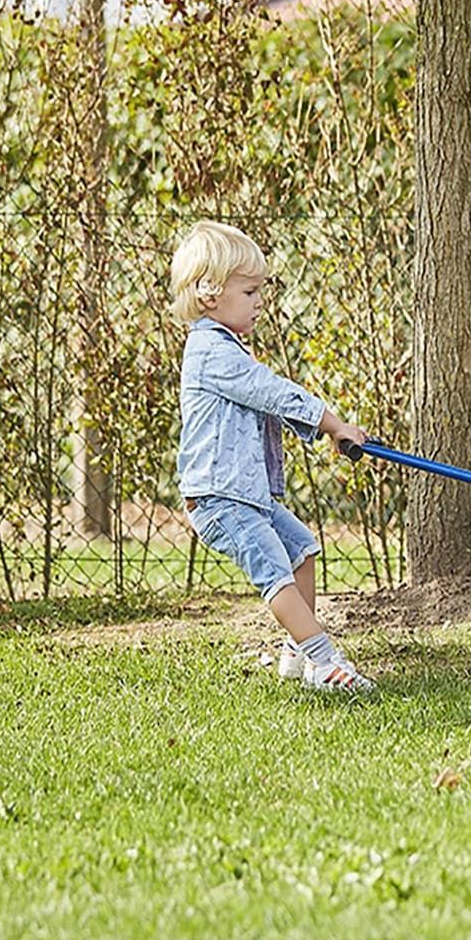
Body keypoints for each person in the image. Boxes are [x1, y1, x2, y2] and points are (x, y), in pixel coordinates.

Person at [172, 220, 375, 692]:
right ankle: (325, 661)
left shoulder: (225, 348)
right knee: (274, 571)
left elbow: (267, 403)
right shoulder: (210, 353)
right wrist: (334, 423)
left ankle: (297, 653)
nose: (259, 300)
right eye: (248, 292)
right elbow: (274, 394)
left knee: (301, 548)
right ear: (209, 295)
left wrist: (328, 433)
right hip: (219, 499)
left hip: (246, 494)